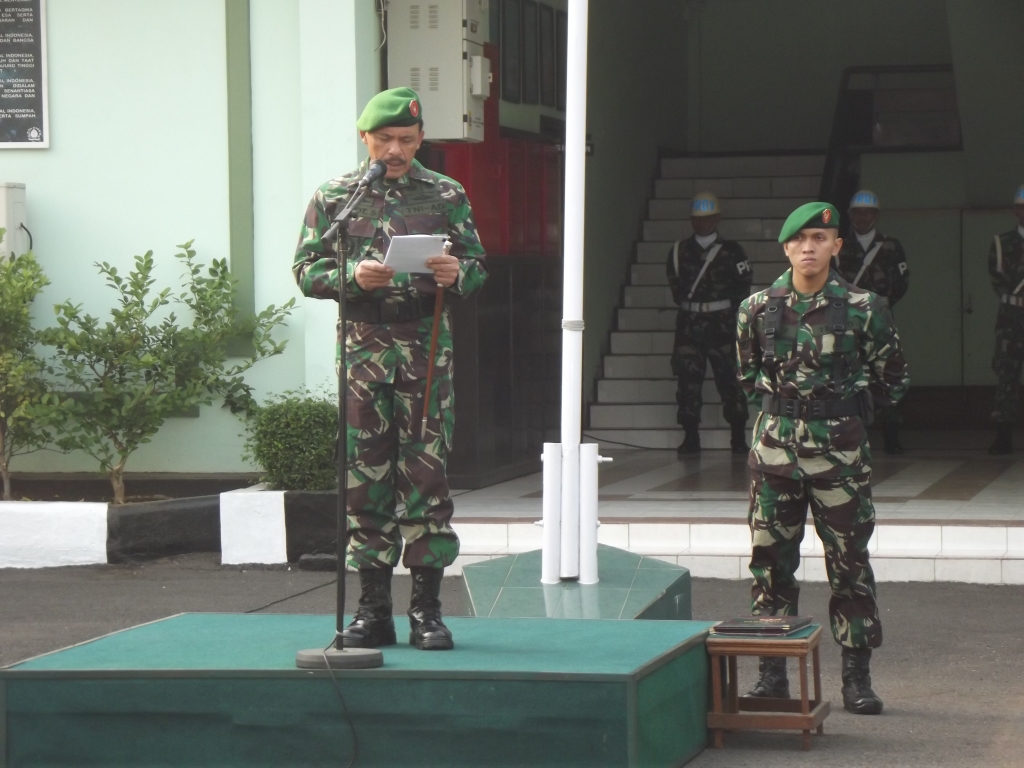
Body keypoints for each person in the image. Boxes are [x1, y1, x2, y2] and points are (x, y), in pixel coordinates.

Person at [292, 87, 488, 650]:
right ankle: (372, 610)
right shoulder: (337, 197)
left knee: (427, 476)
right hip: (363, 346)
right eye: (384, 140)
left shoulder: (446, 193)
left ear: (421, 139)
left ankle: (427, 611)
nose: (395, 151)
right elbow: (306, 269)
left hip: (426, 344)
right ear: (365, 138)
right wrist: (351, 278)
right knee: (364, 476)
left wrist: (457, 272)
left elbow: (477, 267)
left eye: (405, 140)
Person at [736, 202, 909, 715]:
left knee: (850, 568)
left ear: (837, 245)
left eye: (819, 237)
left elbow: (894, 379)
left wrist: (844, 413)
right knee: (770, 566)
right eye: (798, 239)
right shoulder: (757, 309)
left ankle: (856, 679)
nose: (808, 247)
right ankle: (772, 676)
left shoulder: (864, 307)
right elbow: (748, 380)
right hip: (774, 458)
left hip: (840, 460)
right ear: (785, 247)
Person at [667, 192, 753, 454]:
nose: (702, 224)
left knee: (730, 381)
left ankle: (738, 438)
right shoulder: (679, 251)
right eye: (697, 219)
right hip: (689, 325)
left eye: (707, 219)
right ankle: (690, 437)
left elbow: (743, 286)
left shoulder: (732, 251)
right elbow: (676, 288)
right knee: (687, 382)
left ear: (717, 218)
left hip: (722, 325)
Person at [834, 190, 910, 454]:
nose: (862, 217)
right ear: (850, 215)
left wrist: (885, 303)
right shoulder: (838, 246)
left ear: (876, 215)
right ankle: (849, 434)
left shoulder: (891, 246)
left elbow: (902, 282)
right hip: (846, 320)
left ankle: (891, 434)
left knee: (886, 372)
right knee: (844, 372)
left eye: (867, 212)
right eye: (857, 212)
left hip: (879, 319)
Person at [987, 184, 1024, 455]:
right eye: (1022, 208)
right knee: (1007, 373)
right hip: (1011, 314)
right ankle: (1003, 435)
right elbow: (996, 279)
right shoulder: (1001, 242)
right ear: (1015, 211)